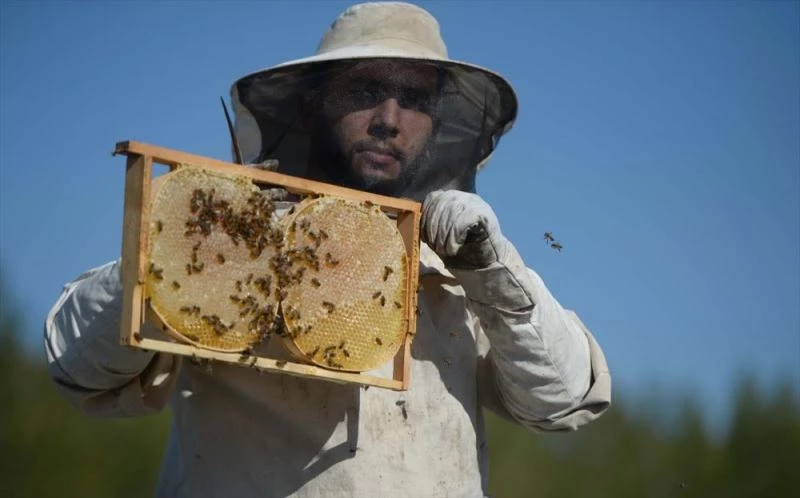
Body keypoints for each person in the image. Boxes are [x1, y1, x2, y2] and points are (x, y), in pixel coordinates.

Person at [44, 3, 611, 497]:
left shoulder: (457, 274)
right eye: (366, 90)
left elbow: (559, 403)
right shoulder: (231, 248)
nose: (389, 119)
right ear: (314, 105)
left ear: (436, 125)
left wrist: (492, 268)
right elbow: (77, 370)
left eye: (413, 99)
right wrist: (168, 249)